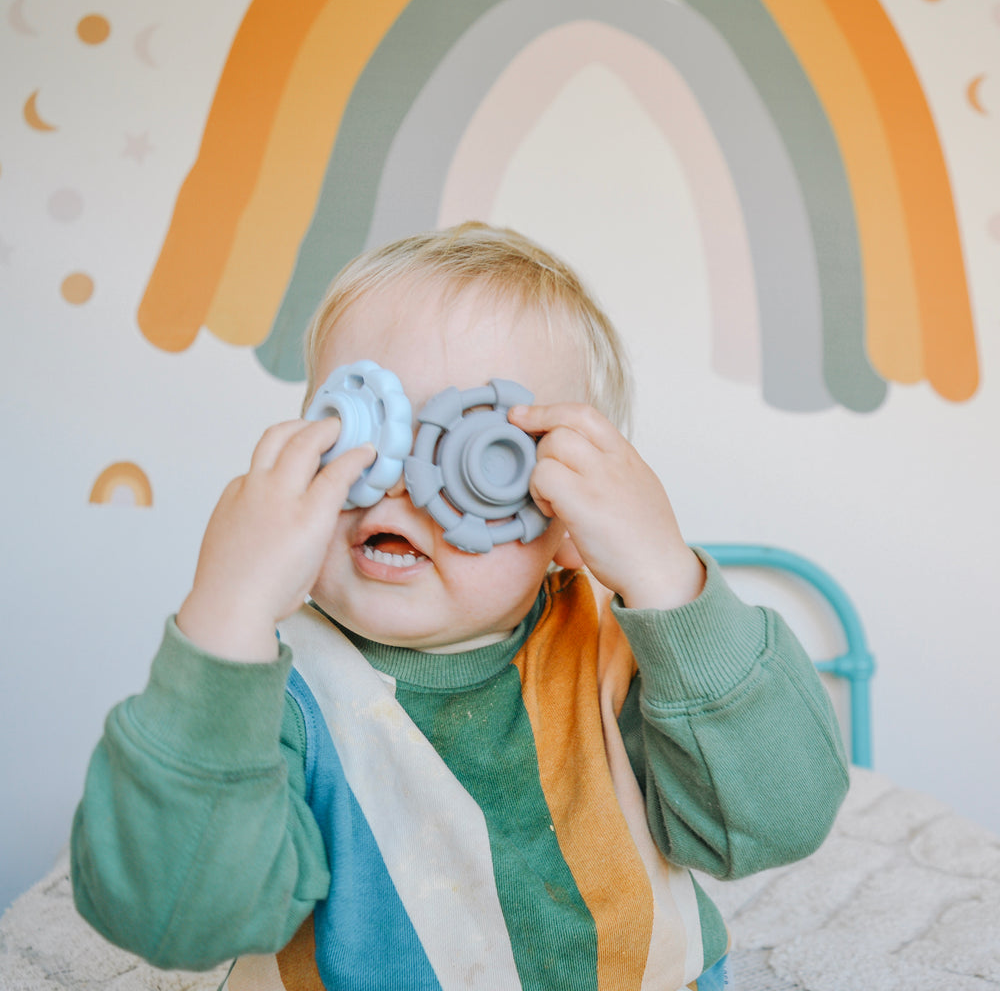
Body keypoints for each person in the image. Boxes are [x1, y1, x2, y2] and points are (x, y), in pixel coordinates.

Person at [71, 222, 849, 990]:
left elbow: (777, 820)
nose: (403, 484)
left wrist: (667, 578)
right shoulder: (271, 691)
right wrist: (226, 616)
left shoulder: (619, 656)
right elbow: (173, 916)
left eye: (473, 455)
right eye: (360, 434)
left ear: (569, 523)